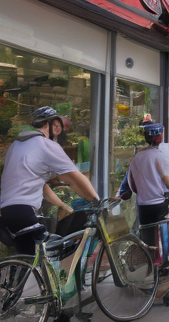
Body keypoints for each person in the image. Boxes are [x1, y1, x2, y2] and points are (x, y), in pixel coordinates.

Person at [0, 107, 100, 257]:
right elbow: (75, 178)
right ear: (51, 125)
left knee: (29, 261)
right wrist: (96, 200)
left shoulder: (16, 146)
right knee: (63, 248)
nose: (58, 129)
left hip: (6, 214)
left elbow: (42, 186)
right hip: (24, 214)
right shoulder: (46, 145)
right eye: (57, 125)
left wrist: (62, 205)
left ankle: (19, 280)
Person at [123, 117, 169, 305]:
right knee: (163, 245)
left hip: (143, 206)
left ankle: (150, 280)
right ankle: (166, 290)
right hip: (159, 205)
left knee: (148, 245)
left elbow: (132, 184)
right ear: (159, 137)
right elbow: (167, 180)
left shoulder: (136, 157)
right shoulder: (159, 156)